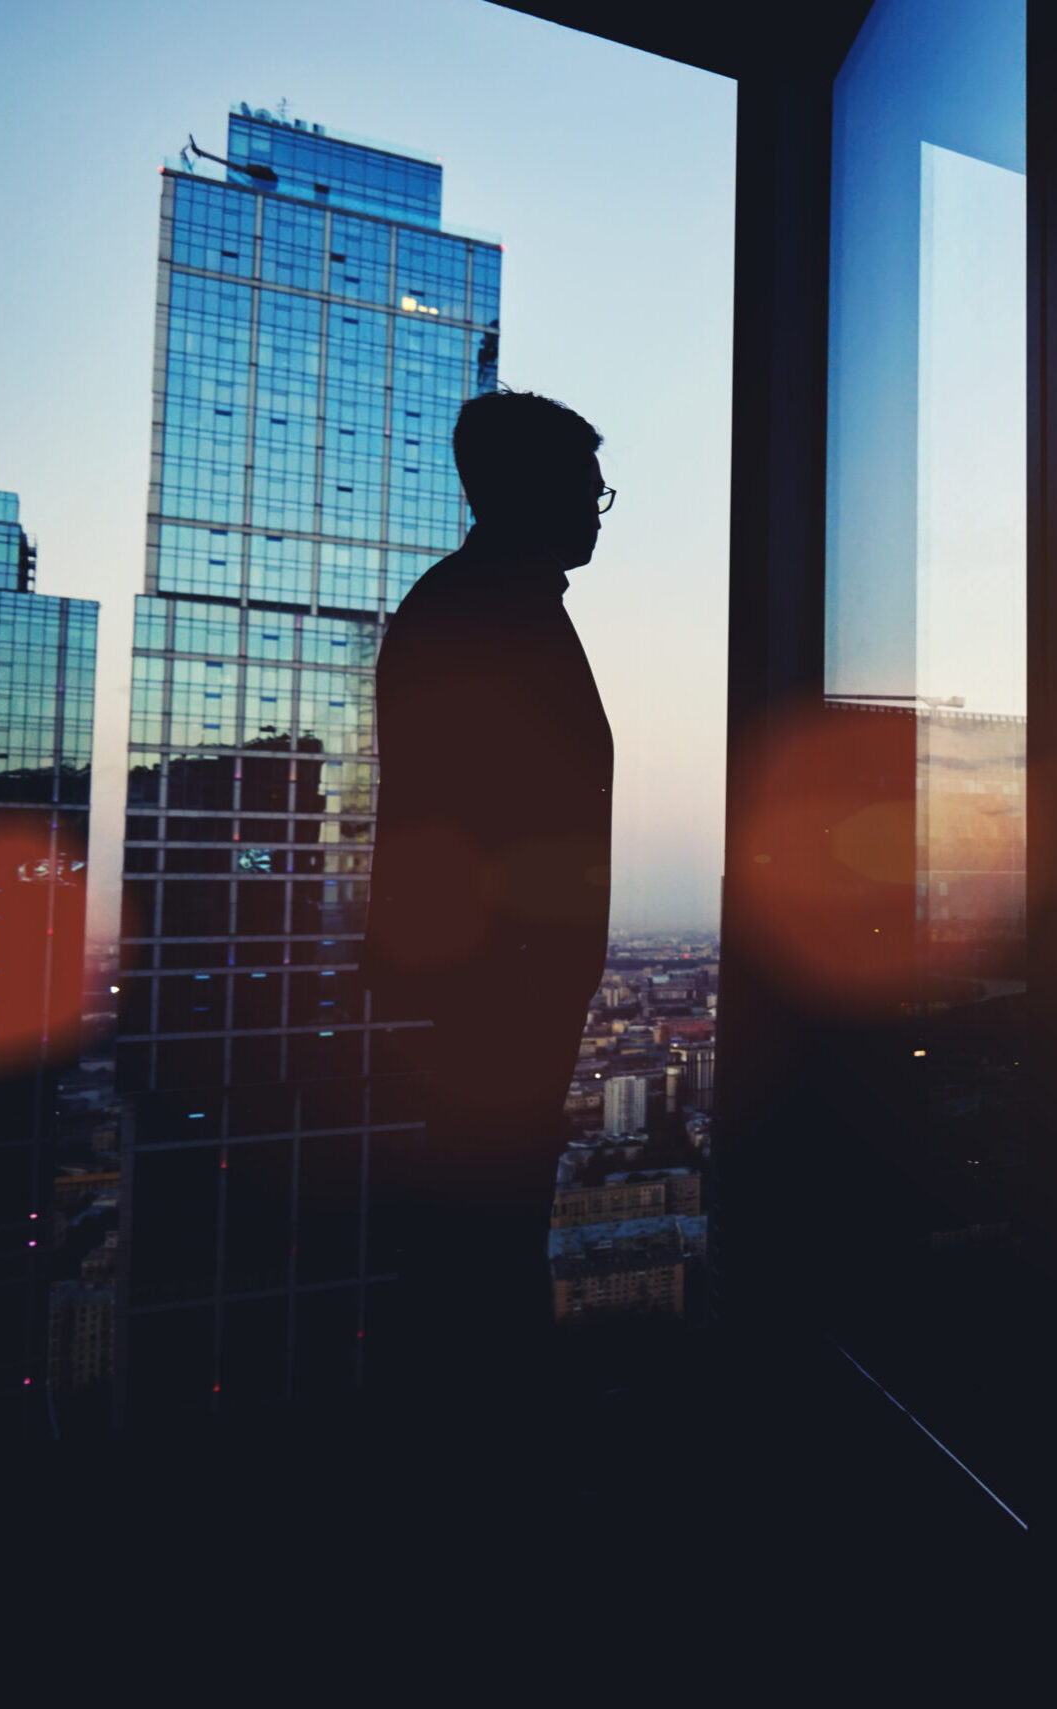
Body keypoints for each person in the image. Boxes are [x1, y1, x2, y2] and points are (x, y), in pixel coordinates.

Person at [364, 388, 614, 1415]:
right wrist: (518, 974)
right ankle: (490, 1461)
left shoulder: (485, 601)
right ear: (530, 491)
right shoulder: (486, 611)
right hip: (489, 996)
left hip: (491, 988)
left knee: (484, 1232)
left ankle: (490, 1447)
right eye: (587, 487)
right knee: (481, 1238)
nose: (599, 506)